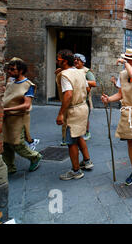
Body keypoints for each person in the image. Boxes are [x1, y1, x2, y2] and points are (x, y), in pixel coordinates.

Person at [101, 49, 132, 194]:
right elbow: (120, 94)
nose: (125, 64)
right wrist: (108, 99)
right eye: (126, 61)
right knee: (130, 143)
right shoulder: (123, 74)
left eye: (129, 61)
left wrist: (125, 62)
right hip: (127, 111)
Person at [55, 50, 94, 181]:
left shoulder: (65, 75)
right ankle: (87, 161)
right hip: (83, 107)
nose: (57, 61)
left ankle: (76, 170)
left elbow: (68, 94)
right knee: (79, 136)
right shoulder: (80, 72)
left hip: (73, 111)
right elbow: (88, 88)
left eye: (58, 59)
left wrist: (60, 113)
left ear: (64, 61)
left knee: (71, 141)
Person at [2, 57, 42, 174]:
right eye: (9, 69)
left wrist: (6, 108)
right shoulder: (11, 81)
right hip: (6, 117)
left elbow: (26, 105)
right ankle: (9, 166)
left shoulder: (28, 85)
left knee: (17, 143)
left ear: (21, 70)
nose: (9, 71)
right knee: (5, 143)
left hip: (18, 118)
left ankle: (35, 156)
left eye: (13, 69)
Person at [74, 53, 97, 141]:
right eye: (75, 59)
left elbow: (93, 83)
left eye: (78, 60)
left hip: (84, 98)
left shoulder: (87, 71)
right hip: (74, 98)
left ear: (83, 62)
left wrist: (82, 80)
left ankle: (86, 132)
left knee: (85, 117)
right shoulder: (72, 70)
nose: (76, 61)